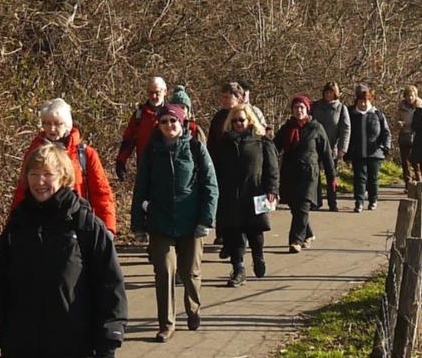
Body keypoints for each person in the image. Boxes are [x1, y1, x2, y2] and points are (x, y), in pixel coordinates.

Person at [0, 143, 128, 355]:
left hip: (74, 342)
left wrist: (110, 337)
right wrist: (6, 334)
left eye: (48, 174)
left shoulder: (85, 224)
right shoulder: (17, 225)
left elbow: (110, 283)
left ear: (63, 177)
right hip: (23, 343)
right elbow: (3, 286)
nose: (40, 182)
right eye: (34, 174)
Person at [131, 104, 218, 342]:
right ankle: (166, 324)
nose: (169, 126)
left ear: (182, 124)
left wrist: (205, 220)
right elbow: (141, 188)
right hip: (161, 222)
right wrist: (138, 224)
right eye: (164, 122)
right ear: (158, 125)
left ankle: (193, 308)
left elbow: (211, 187)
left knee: (189, 273)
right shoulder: (151, 151)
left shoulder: (196, 148)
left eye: (173, 121)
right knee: (164, 272)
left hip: (191, 223)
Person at [10, 98, 117, 235]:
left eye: (57, 124)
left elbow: (101, 192)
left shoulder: (85, 154)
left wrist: (107, 228)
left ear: (67, 125)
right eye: (47, 123)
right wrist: (13, 225)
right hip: (40, 225)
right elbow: (23, 189)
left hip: (76, 224)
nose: (51, 128)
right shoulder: (34, 152)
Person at [211, 104, 278, 287]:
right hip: (230, 194)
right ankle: (238, 268)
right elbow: (215, 168)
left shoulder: (262, 141)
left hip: (256, 191)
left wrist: (272, 189)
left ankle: (258, 256)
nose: (238, 123)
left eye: (242, 120)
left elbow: (272, 168)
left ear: (249, 120)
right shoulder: (223, 143)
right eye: (234, 121)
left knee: (255, 229)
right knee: (233, 231)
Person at [274, 96, 336, 253]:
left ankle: (296, 240)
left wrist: (332, 177)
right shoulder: (287, 128)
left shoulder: (316, 128)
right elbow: (274, 147)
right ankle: (308, 233)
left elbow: (326, 154)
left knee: (303, 206)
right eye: (296, 108)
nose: (299, 110)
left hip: (309, 174)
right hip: (290, 174)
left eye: (301, 107)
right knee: (295, 208)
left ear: (307, 109)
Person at [346, 85, 391, 212]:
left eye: (366, 101)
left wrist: (385, 147)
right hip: (357, 152)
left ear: (370, 101)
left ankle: (373, 200)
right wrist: (346, 152)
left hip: (375, 152)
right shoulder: (351, 115)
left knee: (373, 178)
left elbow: (386, 132)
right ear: (357, 102)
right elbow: (346, 133)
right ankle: (359, 202)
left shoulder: (378, 115)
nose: (363, 104)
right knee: (359, 178)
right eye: (361, 101)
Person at [116, 76, 169, 181]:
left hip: (168, 171)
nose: (154, 96)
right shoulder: (139, 116)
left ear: (165, 91)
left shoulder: (172, 115)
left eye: (157, 92)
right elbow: (128, 140)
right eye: (151, 92)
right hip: (145, 171)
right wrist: (121, 161)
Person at [311, 82, 350, 211]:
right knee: (314, 175)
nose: (328, 95)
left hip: (332, 147)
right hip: (315, 145)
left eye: (331, 93)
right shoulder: (315, 106)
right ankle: (315, 201)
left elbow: (345, 129)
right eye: (326, 92)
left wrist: (342, 148)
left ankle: (332, 202)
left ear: (335, 94)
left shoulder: (341, 108)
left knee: (331, 175)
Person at [208, 82, 245, 152]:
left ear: (238, 98)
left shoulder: (247, 116)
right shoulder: (218, 117)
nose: (223, 100)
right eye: (222, 97)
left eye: (227, 97)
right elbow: (211, 142)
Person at [395, 86, 420, 183]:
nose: (410, 98)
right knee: (405, 162)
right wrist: (399, 124)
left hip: (417, 136)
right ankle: (408, 183)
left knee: (417, 162)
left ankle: (420, 181)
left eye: (412, 96)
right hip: (404, 135)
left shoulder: (420, 107)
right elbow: (396, 123)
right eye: (408, 96)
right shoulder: (401, 108)